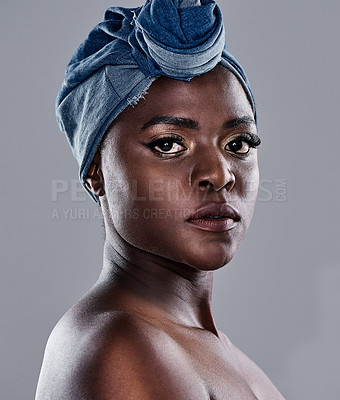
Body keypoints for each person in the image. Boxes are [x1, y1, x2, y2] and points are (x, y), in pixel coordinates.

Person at [36, 0, 285, 398]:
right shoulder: (122, 346)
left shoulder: (214, 350)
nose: (218, 174)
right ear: (96, 171)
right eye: (169, 144)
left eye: (238, 143)